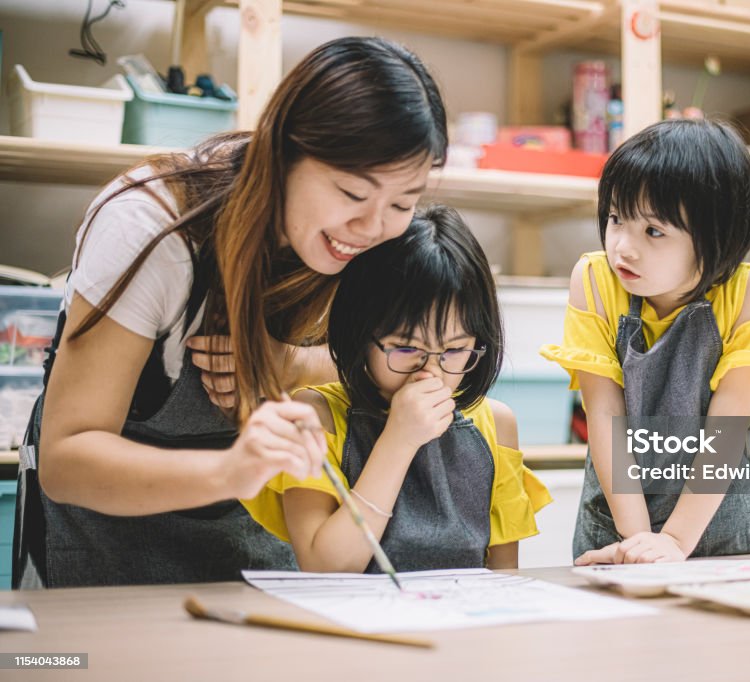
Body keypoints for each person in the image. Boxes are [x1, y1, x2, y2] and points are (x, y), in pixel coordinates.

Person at [13, 36, 449, 588]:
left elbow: (422, 361)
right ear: (283, 151)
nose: (372, 227)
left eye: (403, 203)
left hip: (258, 559)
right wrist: (232, 470)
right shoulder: (153, 225)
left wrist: (290, 363)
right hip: (103, 553)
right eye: (350, 192)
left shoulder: (378, 241)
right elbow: (68, 461)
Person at [540, 118, 750, 565]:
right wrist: (640, 543)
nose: (623, 247)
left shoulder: (746, 291)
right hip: (619, 524)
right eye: (617, 218)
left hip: (720, 529)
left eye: (653, 231)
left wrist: (675, 541)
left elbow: (727, 427)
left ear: (719, 239)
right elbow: (604, 414)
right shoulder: (596, 280)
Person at [242, 206, 552, 572]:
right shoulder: (316, 415)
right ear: (360, 335)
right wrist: (399, 440)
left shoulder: (496, 425)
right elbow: (326, 568)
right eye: (406, 349)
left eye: (454, 350)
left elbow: (503, 577)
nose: (431, 374)